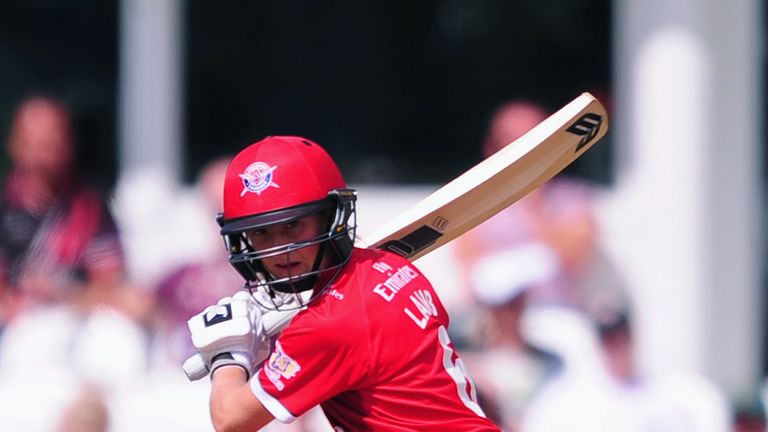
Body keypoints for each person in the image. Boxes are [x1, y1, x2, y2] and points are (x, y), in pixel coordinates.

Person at [185, 135, 500, 431]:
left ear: (330, 217)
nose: (279, 249)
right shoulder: (389, 265)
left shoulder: (328, 325)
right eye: (261, 233)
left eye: (292, 225)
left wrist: (227, 354)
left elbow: (230, 420)